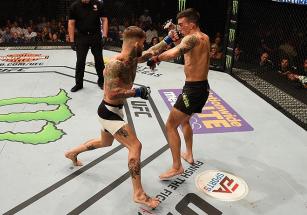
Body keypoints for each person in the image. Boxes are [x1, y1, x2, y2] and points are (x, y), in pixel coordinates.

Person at [65, 26, 160, 208]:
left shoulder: (132, 58)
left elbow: (149, 53)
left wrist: (170, 40)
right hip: (109, 111)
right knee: (135, 146)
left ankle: (72, 152)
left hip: (113, 111)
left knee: (105, 142)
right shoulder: (115, 64)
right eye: (142, 43)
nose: (145, 45)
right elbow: (111, 93)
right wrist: (137, 91)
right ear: (135, 43)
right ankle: (138, 193)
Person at [145, 8, 210, 180]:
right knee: (185, 120)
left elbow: (175, 52)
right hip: (202, 87)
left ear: (192, 24)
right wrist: (174, 33)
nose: (180, 27)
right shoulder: (204, 37)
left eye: (182, 24)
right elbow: (185, 48)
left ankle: (176, 167)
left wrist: (156, 58)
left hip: (193, 90)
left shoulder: (191, 38)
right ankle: (188, 154)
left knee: (170, 125)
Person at [68, 0, 109, 92]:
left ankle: (102, 81)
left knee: (99, 59)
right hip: (81, 36)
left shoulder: (98, 4)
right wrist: (71, 40)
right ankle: (79, 83)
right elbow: (71, 23)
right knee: (80, 61)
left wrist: (105, 36)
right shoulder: (75, 6)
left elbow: (104, 19)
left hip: (96, 35)